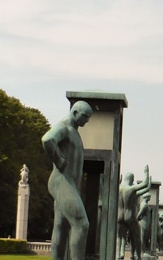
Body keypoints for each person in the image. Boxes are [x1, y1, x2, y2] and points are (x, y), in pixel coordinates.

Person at [42, 100, 93, 260]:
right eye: (85, 117)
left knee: (61, 227)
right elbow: (47, 139)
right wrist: (59, 160)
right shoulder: (63, 127)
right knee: (82, 224)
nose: (87, 121)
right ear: (75, 112)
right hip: (62, 181)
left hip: (69, 184)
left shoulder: (74, 131)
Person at [116, 165, 151, 260]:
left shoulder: (118, 188)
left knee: (119, 237)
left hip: (119, 216)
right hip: (130, 216)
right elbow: (145, 184)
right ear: (131, 179)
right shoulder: (131, 189)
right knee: (136, 236)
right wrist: (146, 173)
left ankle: (118, 255)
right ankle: (138, 256)